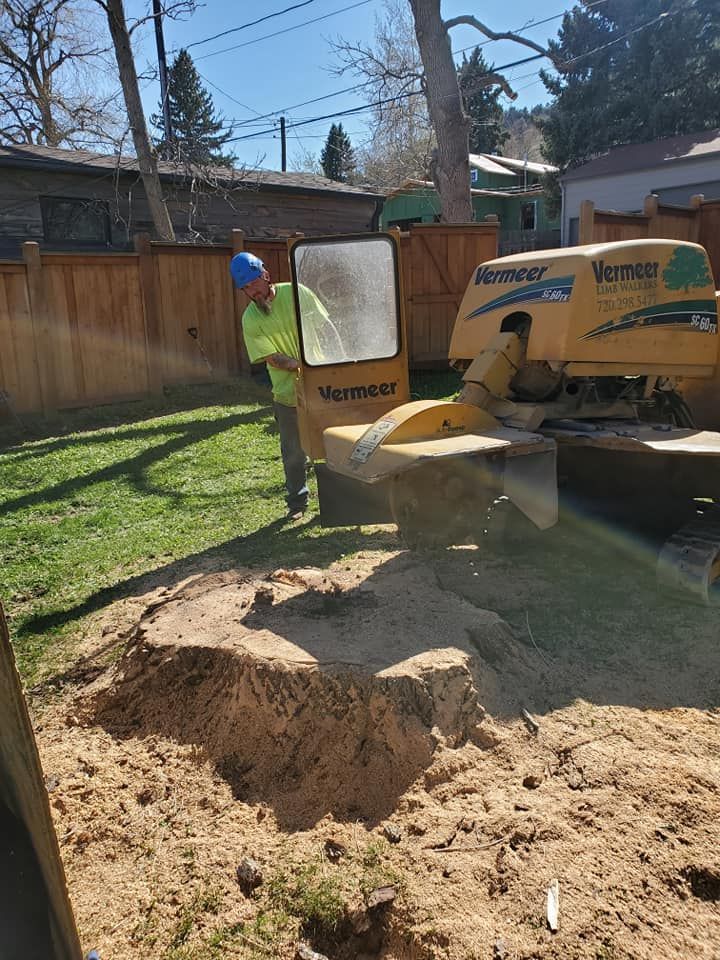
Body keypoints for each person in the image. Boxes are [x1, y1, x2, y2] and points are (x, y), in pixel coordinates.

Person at [229, 251, 329, 521]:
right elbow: (274, 359)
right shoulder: (251, 319)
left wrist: (331, 366)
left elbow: (325, 328)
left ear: (265, 275)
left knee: (333, 442)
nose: (252, 292)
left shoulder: (297, 293)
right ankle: (297, 502)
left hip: (324, 387)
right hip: (287, 394)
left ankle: (341, 498)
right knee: (293, 451)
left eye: (254, 284)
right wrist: (304, 366)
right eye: (245, 289)